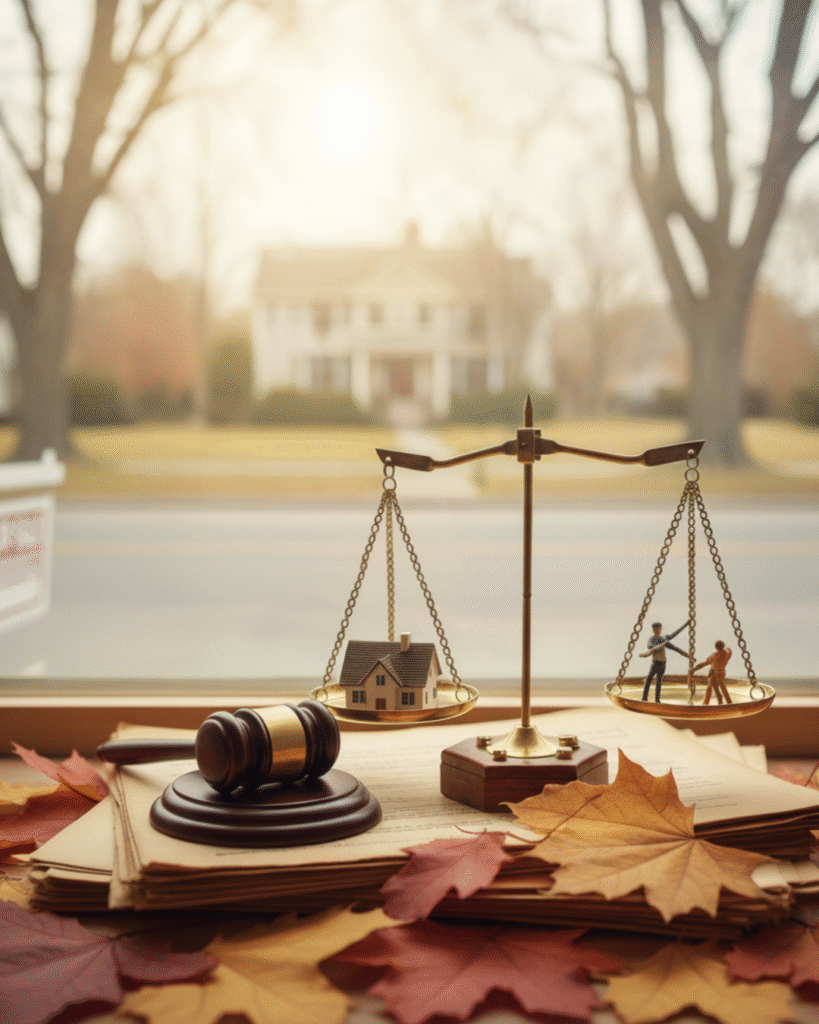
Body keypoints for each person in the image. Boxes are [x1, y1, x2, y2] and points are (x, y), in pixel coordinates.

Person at [639, 620, 690, 702]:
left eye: (659, 629)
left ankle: (657, 700)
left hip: (662, 663)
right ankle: (644, 698)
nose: (658, 631)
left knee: (659, 682)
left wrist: (686, 654)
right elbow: (649, 646)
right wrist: (660, 644)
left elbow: (674, 646)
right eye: (656, 629)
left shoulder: (664, 639)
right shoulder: (652, 639)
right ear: (653, 630)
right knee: (649, 680)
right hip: (655, 662)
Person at [693, 640, 733, 705]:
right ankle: (721, 699)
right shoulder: (727, 653)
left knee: (714, 687)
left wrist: (694, 669)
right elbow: (729, 650)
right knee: (715, 686)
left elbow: (704, 664)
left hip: (717, 674)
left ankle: (729, 703)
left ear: (716, 647)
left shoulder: (714, 656)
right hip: (722, 672)